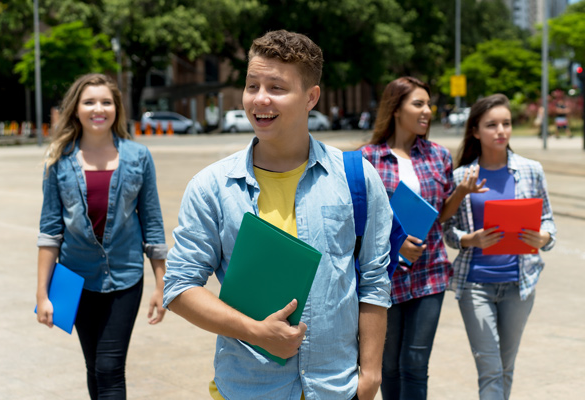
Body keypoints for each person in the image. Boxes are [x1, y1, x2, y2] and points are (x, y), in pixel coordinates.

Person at [163, 30, 393, 400]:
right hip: (248, 387)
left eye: (277, 87)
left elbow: (373, 281)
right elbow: (178, 287)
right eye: (252, 85)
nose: (260, 99)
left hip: (336, 386)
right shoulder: (212, 186)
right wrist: (255, 330)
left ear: (311, 97)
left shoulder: (356, 178)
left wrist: (370, 375)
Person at [36, 73, 167, 399]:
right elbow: (50, 231)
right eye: (90, 101)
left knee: (109, 368)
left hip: (125, 278)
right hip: (74, 278)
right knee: (93, 365)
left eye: (106, 102)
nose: (99, 108)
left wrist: (162, 284)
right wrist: (42, 294)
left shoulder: (139, 157)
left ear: (116, 108)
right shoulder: (59, 159)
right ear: (76, 109)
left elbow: (152, 223)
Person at [359, 76, 486, 400]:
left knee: (415, 363)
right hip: (385, 276)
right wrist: (394, 242)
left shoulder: (438, 156)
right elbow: (359, 221)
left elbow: (441, 216)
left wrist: (460, 192)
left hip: (430, 272)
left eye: (428, 104)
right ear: (396, 109)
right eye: (418, 103)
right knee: (388, 366)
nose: (427, 110)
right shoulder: (367, 158)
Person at [443, 94, 556, 400]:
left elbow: (548, 222)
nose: (501, 131)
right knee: (491, 370)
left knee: (506, 368)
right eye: (491, 125)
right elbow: (447, 229)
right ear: (476, 131)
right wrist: (470, 239)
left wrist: (543, 238)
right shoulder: (461, 177)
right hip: (475, 284)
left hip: (519, 285)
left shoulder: (531, 170)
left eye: (506, 124)